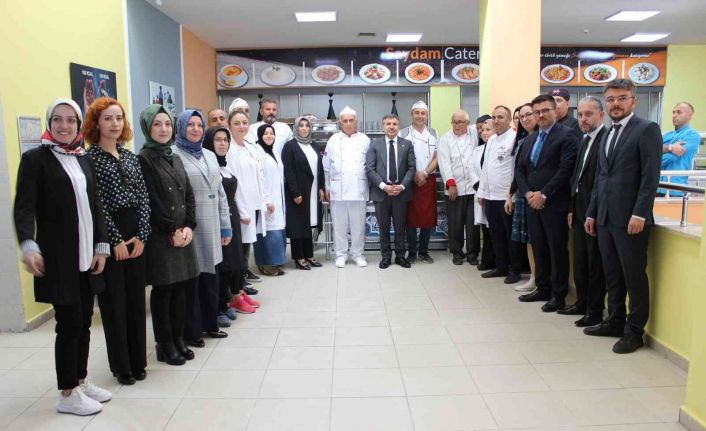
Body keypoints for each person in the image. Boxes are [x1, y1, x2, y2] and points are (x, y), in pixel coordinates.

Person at [14, 98, 112, 416]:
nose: (64, 125)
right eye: (57, 119)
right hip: (59, 258)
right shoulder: (35, 160)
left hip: (87, 256)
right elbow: (24, 207)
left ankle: (80, 380)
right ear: (49, 122)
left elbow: (95, 205)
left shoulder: (83, 158)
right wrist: (28, 244)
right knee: (68, 324)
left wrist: (101, 246)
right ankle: (67, 393)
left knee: (84, 322)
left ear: (78, 124)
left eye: (71, 120)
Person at [584, 79, 662, 354]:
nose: (616, 104)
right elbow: (601, 178)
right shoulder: (607, 133)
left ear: (633, 101)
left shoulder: (647, 129)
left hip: (631, 219)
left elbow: (650, 177)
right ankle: (614, 321)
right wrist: (592, 212)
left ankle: (634, 331)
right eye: (611, 99)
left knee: (633, 275)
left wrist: (640, 213)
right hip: (605, 217)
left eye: (622, 98)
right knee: (612, 274)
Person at [84, 97, 150, 386]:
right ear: (96, 123)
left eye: (119, 118)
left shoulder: (131, 157)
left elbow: (144, 198)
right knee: (114, 305)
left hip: (136, 234)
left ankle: (138, 361)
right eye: (108, 118)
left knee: (136, 301)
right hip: (110, 235)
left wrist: (143, 236)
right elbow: (96, 204)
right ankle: (122, 366)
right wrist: (115, 240)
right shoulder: (89, 159)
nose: (114, 123)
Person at [138, 105, 199, 366]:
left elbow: (188, 194)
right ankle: (164, 344)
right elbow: (151, 201)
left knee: (181, 289)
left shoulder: (174, 157)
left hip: (182, 233)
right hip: (162, 236)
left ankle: (178, 338)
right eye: (157, 124)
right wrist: (171, 230)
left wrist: (189, 226)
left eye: (167, 124)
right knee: (164, 291)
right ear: (148, 128)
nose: (163, 129)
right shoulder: (144, 159)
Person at [514, 94, 579, 312]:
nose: (540, 115)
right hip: (532, 203)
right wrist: (528, 194)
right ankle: (542, 288)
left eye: (545, 111)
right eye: (537, 112)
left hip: (554, 204)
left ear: (555, 111)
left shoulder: (567, 135)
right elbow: (520, 169)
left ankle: (558, 295)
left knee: (557, 250)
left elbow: (565, 170)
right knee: (539, 247)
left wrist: (544, 194)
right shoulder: (531, 138)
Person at [173, 110, 231, 345]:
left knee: (210, 278)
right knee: (192, 281)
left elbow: (220, 192)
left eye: (199, 125)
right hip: (190, 227)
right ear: (181, 127)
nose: (196, 129)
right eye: (190, 125)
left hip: (213, 224)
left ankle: (210, 324)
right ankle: (193, 331)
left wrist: (226, 226)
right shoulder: (174, 154)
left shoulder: (208, 154)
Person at [202, 126, 260, 317]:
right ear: (209, 142)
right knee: (224, 263)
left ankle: (235, 295)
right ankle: (223, 302)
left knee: (235, 259)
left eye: (225, 140)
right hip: (218, 218)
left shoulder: (226, 165)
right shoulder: (208, 166)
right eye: (218, 140)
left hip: (232, 216)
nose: (222, 143)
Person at [563, 96, 607, 327]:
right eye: (580, 115)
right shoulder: (584, 140)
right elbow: (576, 177)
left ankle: (595, 310)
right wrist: (572, 207)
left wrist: (592, 211)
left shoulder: (606, 140)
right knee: (579, 260)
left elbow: (602, 180)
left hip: (595, 211)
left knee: (594, 263)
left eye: (588, 114)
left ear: (601, 115)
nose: (583, 119)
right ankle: (581, 302)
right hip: (579, 207)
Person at [477, 106, 521, 284]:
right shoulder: (491, 140)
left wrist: (512, 195)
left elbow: (515, 170)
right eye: (494, 117)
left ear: (509, 119)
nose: (496, 120)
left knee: (511, 236)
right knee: (496, 235)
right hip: (490, 197)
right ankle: (501, 266)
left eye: (500, 117)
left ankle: (515, 270)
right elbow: (485, 168)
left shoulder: (515, 138)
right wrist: (481, 192)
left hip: (506, 197)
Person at [323, 106, 371, 268]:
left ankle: (358, 254)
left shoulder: (365, 139)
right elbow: (326, 167)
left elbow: (370, 166)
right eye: (345, 121)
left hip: (359, 189)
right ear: (340, 123)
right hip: (338, 190)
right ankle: (341, 254)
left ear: (356, 121)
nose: (348, 124)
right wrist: (327, 186)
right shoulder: (333, 140)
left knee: (358, 226)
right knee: (339, 225)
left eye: (351, 120)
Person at [366, 114, 416, 268]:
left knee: (401, 227)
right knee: (383, 228)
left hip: (401, 192)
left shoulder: (407, 144)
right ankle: (386, 257)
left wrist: (401, 186)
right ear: (383, 126)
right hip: (381, 192)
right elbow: (370, 169)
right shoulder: (374, 144)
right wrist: (384, 186)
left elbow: (412, 168)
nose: (391, 126)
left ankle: (400, 256)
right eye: (388, 124)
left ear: (399, 126)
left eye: (394, 124)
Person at [227, 109, 269, 285]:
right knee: (239, 243)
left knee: (248, 241)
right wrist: (242, 210)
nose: (241, 126)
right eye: (236, 123)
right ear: (229, 126)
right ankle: (239, 281)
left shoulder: (249, 146)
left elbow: (260, 176)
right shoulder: (230, 150)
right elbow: (235, 183)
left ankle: (244, 272)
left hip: (254, 202)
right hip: (241, 204)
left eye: (244, 123)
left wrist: (263, 201)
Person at [437, 110, 480, 265]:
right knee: (455, 224)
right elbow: (444, 163)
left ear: (468, 123)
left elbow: (485, 123)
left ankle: (472, 254)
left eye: (461, 122)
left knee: (473, 223)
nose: (457, 125)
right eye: (454, 122)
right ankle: (457, 253)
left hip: (473, 187)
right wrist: (451, 184)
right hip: (455, 188)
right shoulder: (445, 139)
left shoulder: (474, 133)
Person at [282, 116, 325, 270]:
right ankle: (299, 257)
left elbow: (320, 169)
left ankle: (309, 255)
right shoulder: (290, 146)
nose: (305, 128)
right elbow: (288, 171)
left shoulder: (313, 145)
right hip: (299, 192)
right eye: (301, 125)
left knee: (308, 224)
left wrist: (321, 187)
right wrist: (295, 193)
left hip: (312, 191)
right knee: (298, 224)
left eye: (307, 125)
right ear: (296, 128)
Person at [399, 101, 438, 264]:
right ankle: (412, 252)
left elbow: (437, 157)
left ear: (427, 115)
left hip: (428, 179)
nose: (420, 116)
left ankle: (424, 251)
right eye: (417, 113)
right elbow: (400, 158)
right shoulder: (403, 132)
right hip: (410, 180)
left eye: (423, 113)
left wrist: (425, 173)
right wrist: (414, 173)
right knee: (410, 217)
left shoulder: (433, 133)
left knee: (427, 217)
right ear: (412, 114)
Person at [507, 103, 538, 293]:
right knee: (528, 239)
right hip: (523, 194)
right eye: (521, 116)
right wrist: (511, 194)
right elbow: (518, 171)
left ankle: (541, 279)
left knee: (538, 240)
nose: (524, 119)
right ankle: (534, 277)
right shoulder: (522, 141)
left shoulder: (544, 137)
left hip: (539, 196)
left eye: (528, 115)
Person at [254, 124, 288, 275]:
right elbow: (260, 178)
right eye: (265, 133)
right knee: (266, 232)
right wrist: (267, 200)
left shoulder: (274, 151)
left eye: (271, 133)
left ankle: (276, 261)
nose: (269, 136)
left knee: (276, 230)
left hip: (278, 198)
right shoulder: (257, 152)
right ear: (260, 136)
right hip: (266, 199)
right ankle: (266, 264)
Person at [660, 102, 700, 196]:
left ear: (690, 115)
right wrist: (671, 148)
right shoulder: (666, 136)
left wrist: (653, 160)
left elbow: (671, 157)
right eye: (673, 112)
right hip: (657, 186)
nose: (674, 115)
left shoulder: (692, 135)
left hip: (675, 188)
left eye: (679, 112)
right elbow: (652, 151)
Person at [473, 118, 495, 270]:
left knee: (495, 229)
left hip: (495, 193)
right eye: (482, 130)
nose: (484, 133)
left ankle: (498, 261)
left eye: (488, 130)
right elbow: (471, 169)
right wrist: (479, 187)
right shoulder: (477, 150)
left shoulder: (498, 147)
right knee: (485, 229)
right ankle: (487, 260)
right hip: (480, 193)